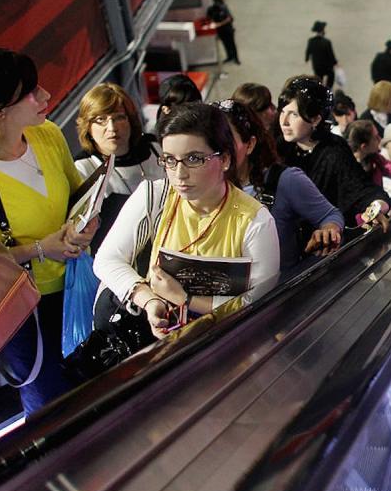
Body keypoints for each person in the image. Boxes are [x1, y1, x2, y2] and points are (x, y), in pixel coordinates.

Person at [0, 48, 96, 414]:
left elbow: (75, 196)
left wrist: (85, 226)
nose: (45, 96)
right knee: (52, 409)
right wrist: (39, 250)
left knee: (94, 387)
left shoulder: (46, 134)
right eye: (30, 91)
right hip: (25, 311)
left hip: (77, 287)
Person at [93, 103, 280, 339]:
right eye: (170, 160)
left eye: (194, 159)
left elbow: (257, 301)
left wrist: (186, 299)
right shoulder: (155, 196)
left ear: (224, 159)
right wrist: (148, 299)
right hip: (155, 343)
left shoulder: (255, 221)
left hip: (224, 346)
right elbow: (106, 259)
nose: (179, 174)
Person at [215, 99, 343, 272]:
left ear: (250, 144)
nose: (216, 150)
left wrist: (328, 230)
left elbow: (329, 215)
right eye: (210, 141)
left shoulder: (285, 180)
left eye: (227, 140)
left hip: (279, 294)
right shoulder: (203, 188)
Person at [275, 76, 391, 230]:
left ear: (316, 119)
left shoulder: (334, 149)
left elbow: (361, 190)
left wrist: (376, 208)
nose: (284, 122)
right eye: (283, 112)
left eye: (294, 114)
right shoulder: (279, 146)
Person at [75, 83, 165, 254]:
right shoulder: (84, 168)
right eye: (100, 120)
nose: (112, 128)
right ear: (88, 127)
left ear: (130, 120)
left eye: (118, 117)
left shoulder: (155, 147)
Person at [206, 0, 240, 65]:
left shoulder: (224, 8)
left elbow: (230, 18)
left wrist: (220, 24)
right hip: (220, 31)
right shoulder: (211, 9)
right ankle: (229, 57)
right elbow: (208, 17)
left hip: (228, 29)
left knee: (232, 44)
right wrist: (212, 22)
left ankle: (236, 58)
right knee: (225, 44)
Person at [305, 20, 338, 89]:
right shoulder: (326, 42)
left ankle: (320, 90)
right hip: (327, 67)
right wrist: (335, 63)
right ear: (322, 31)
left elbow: (308, 53)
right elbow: (330, 54)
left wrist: (307, 59)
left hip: (317, 66)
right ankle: (328, 89)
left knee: (319, 80)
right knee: (331, 75)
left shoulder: (311, 41)